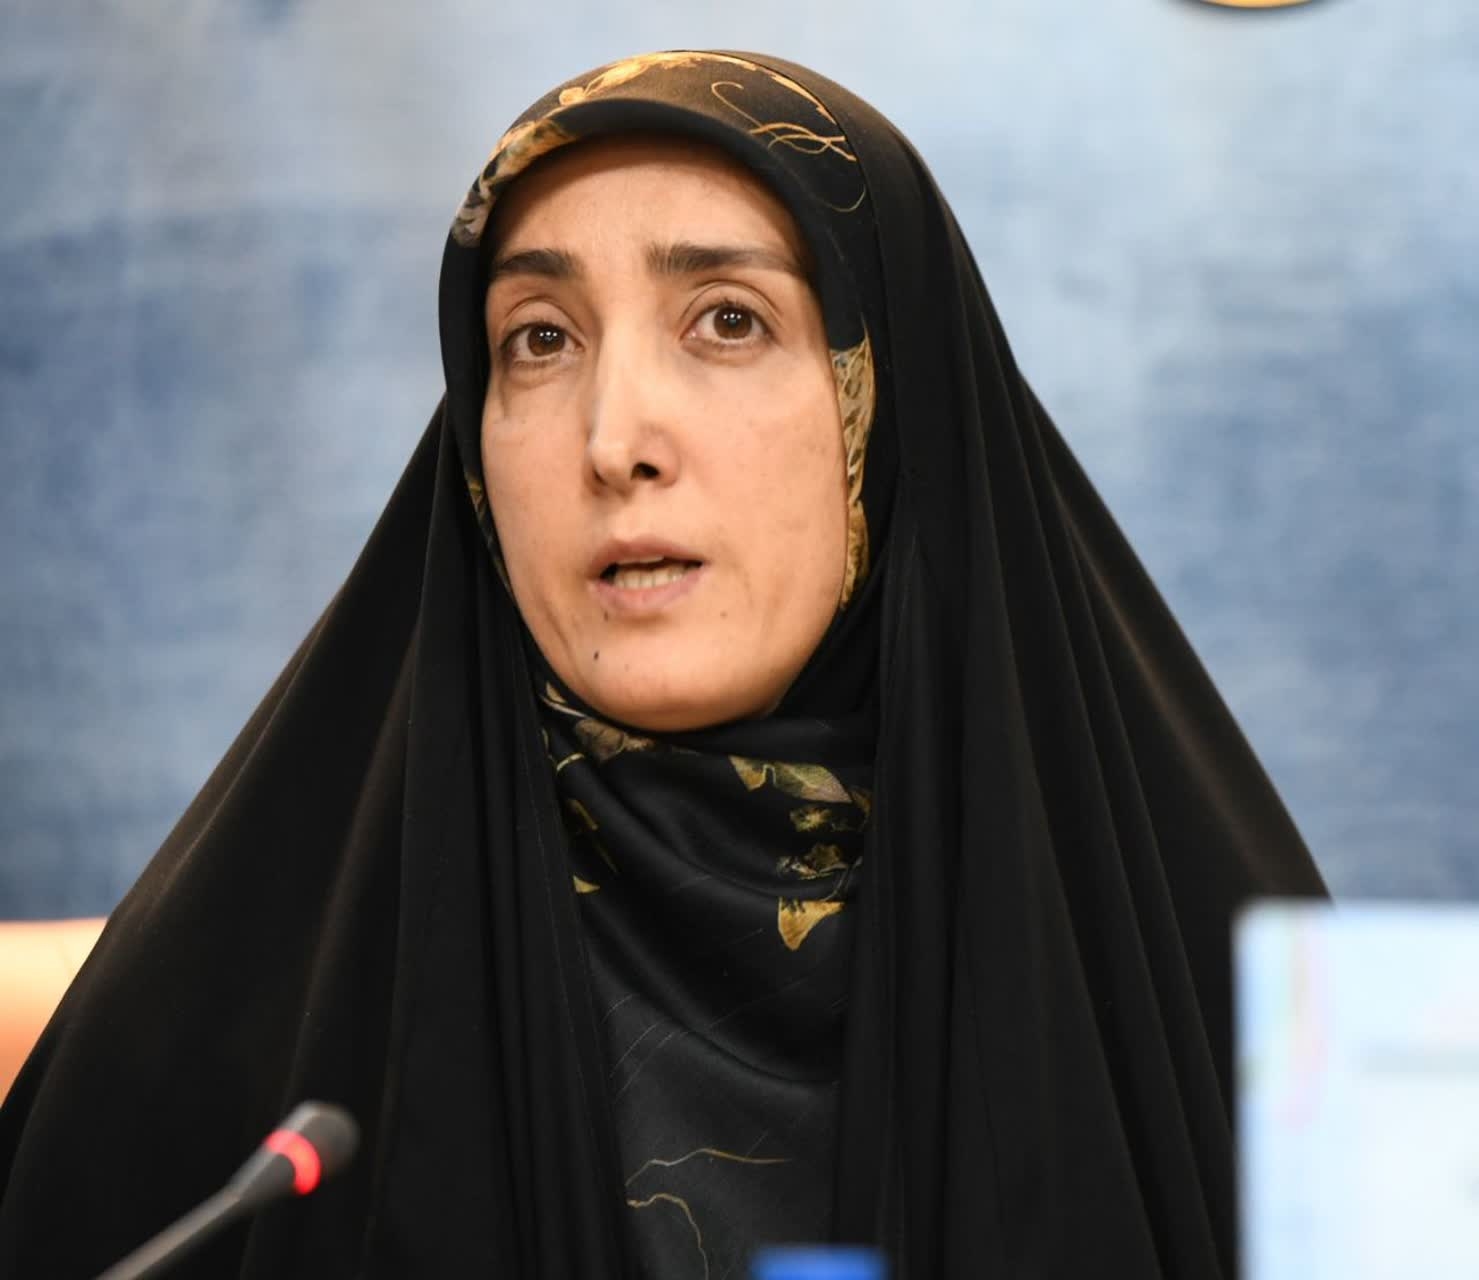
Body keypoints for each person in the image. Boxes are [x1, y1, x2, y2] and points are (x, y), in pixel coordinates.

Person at [0, 51, 1325, 1278]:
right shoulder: (235, 1036)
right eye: (539, 338)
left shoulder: (1220, 1008)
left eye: (728, 321)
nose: (614, 438)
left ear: (893, 401)